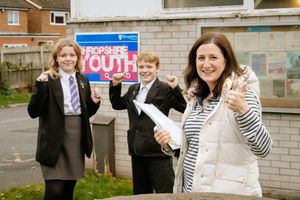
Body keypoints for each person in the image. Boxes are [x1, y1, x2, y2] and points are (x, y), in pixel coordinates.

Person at [154, 32, 273, 197]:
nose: (206, 64)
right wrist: (170, 145)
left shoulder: (240, 95)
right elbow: (197, 149)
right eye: (201, 58)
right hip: (190, 192)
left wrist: (243, 110)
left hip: (227, 194)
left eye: (213, 57)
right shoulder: (195, 98)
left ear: (226, 60)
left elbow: (264, 148)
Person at [27, 39, 101, 200]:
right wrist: (40, 88)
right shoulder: (48, 79)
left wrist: (94, 102)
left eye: (72, 55)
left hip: (75, 139)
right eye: (63, 55)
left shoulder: (83, 80)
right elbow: (33, 112)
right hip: (54, 140)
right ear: (56, 58)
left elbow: (85, 113)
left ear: (77, 57)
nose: (68, 59)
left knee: (68, 190)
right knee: (54, 192)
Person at [109, 51, 186, 194]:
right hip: (137, 150)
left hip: (158, 151)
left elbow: (184, 108)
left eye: (149, 67)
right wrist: (115, 85)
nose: (144, 71)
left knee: (165, 193)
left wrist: (176, 88)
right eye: (141, 67)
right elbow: (117, 104)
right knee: (141, 194)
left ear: (158, 68)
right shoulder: (133, 89)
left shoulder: (165, 88)